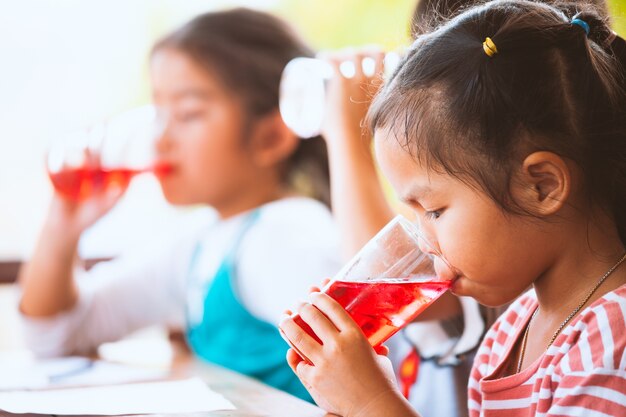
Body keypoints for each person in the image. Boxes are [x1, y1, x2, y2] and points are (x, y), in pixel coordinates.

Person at [280, 0, 626, 414]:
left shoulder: (613, 341)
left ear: (541, 186)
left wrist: (373, 403)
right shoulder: (511, 331)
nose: (424, 242)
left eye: (435, 211)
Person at [18, 8, 341, 401]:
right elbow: (55, 334)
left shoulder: (285, 235)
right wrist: (62, 229)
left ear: (272, 136)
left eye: (188, 114)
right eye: (159, 113)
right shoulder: (201, 241)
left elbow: (359, 370)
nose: (160, 138)